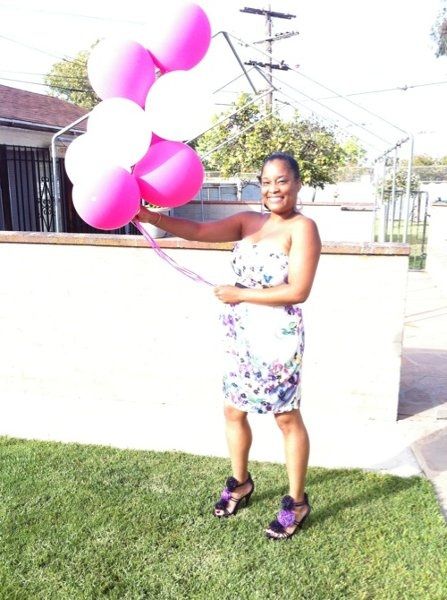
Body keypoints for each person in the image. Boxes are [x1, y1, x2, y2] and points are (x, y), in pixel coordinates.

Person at [136, 151, 321, 540]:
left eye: (282, 180)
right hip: (242, 334)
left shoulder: (303, 228)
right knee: (234, 410)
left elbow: (298, 291)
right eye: (266, 182)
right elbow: (198, 230)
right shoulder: (248, 221)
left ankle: (297, 502)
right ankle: (240, 483)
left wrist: (240, 294)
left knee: (286, 417)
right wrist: (152, 217)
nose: (273, 189)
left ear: (297, 183)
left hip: (277, 336)